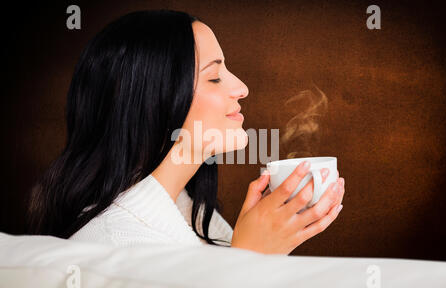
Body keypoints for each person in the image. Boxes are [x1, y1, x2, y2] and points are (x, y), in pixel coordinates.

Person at [26, 9, 345, 255]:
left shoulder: (195, 217)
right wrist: (250, 259)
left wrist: (267, 250)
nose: (242, 88)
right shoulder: (111, 244)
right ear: (155, 101)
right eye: (214, 76)